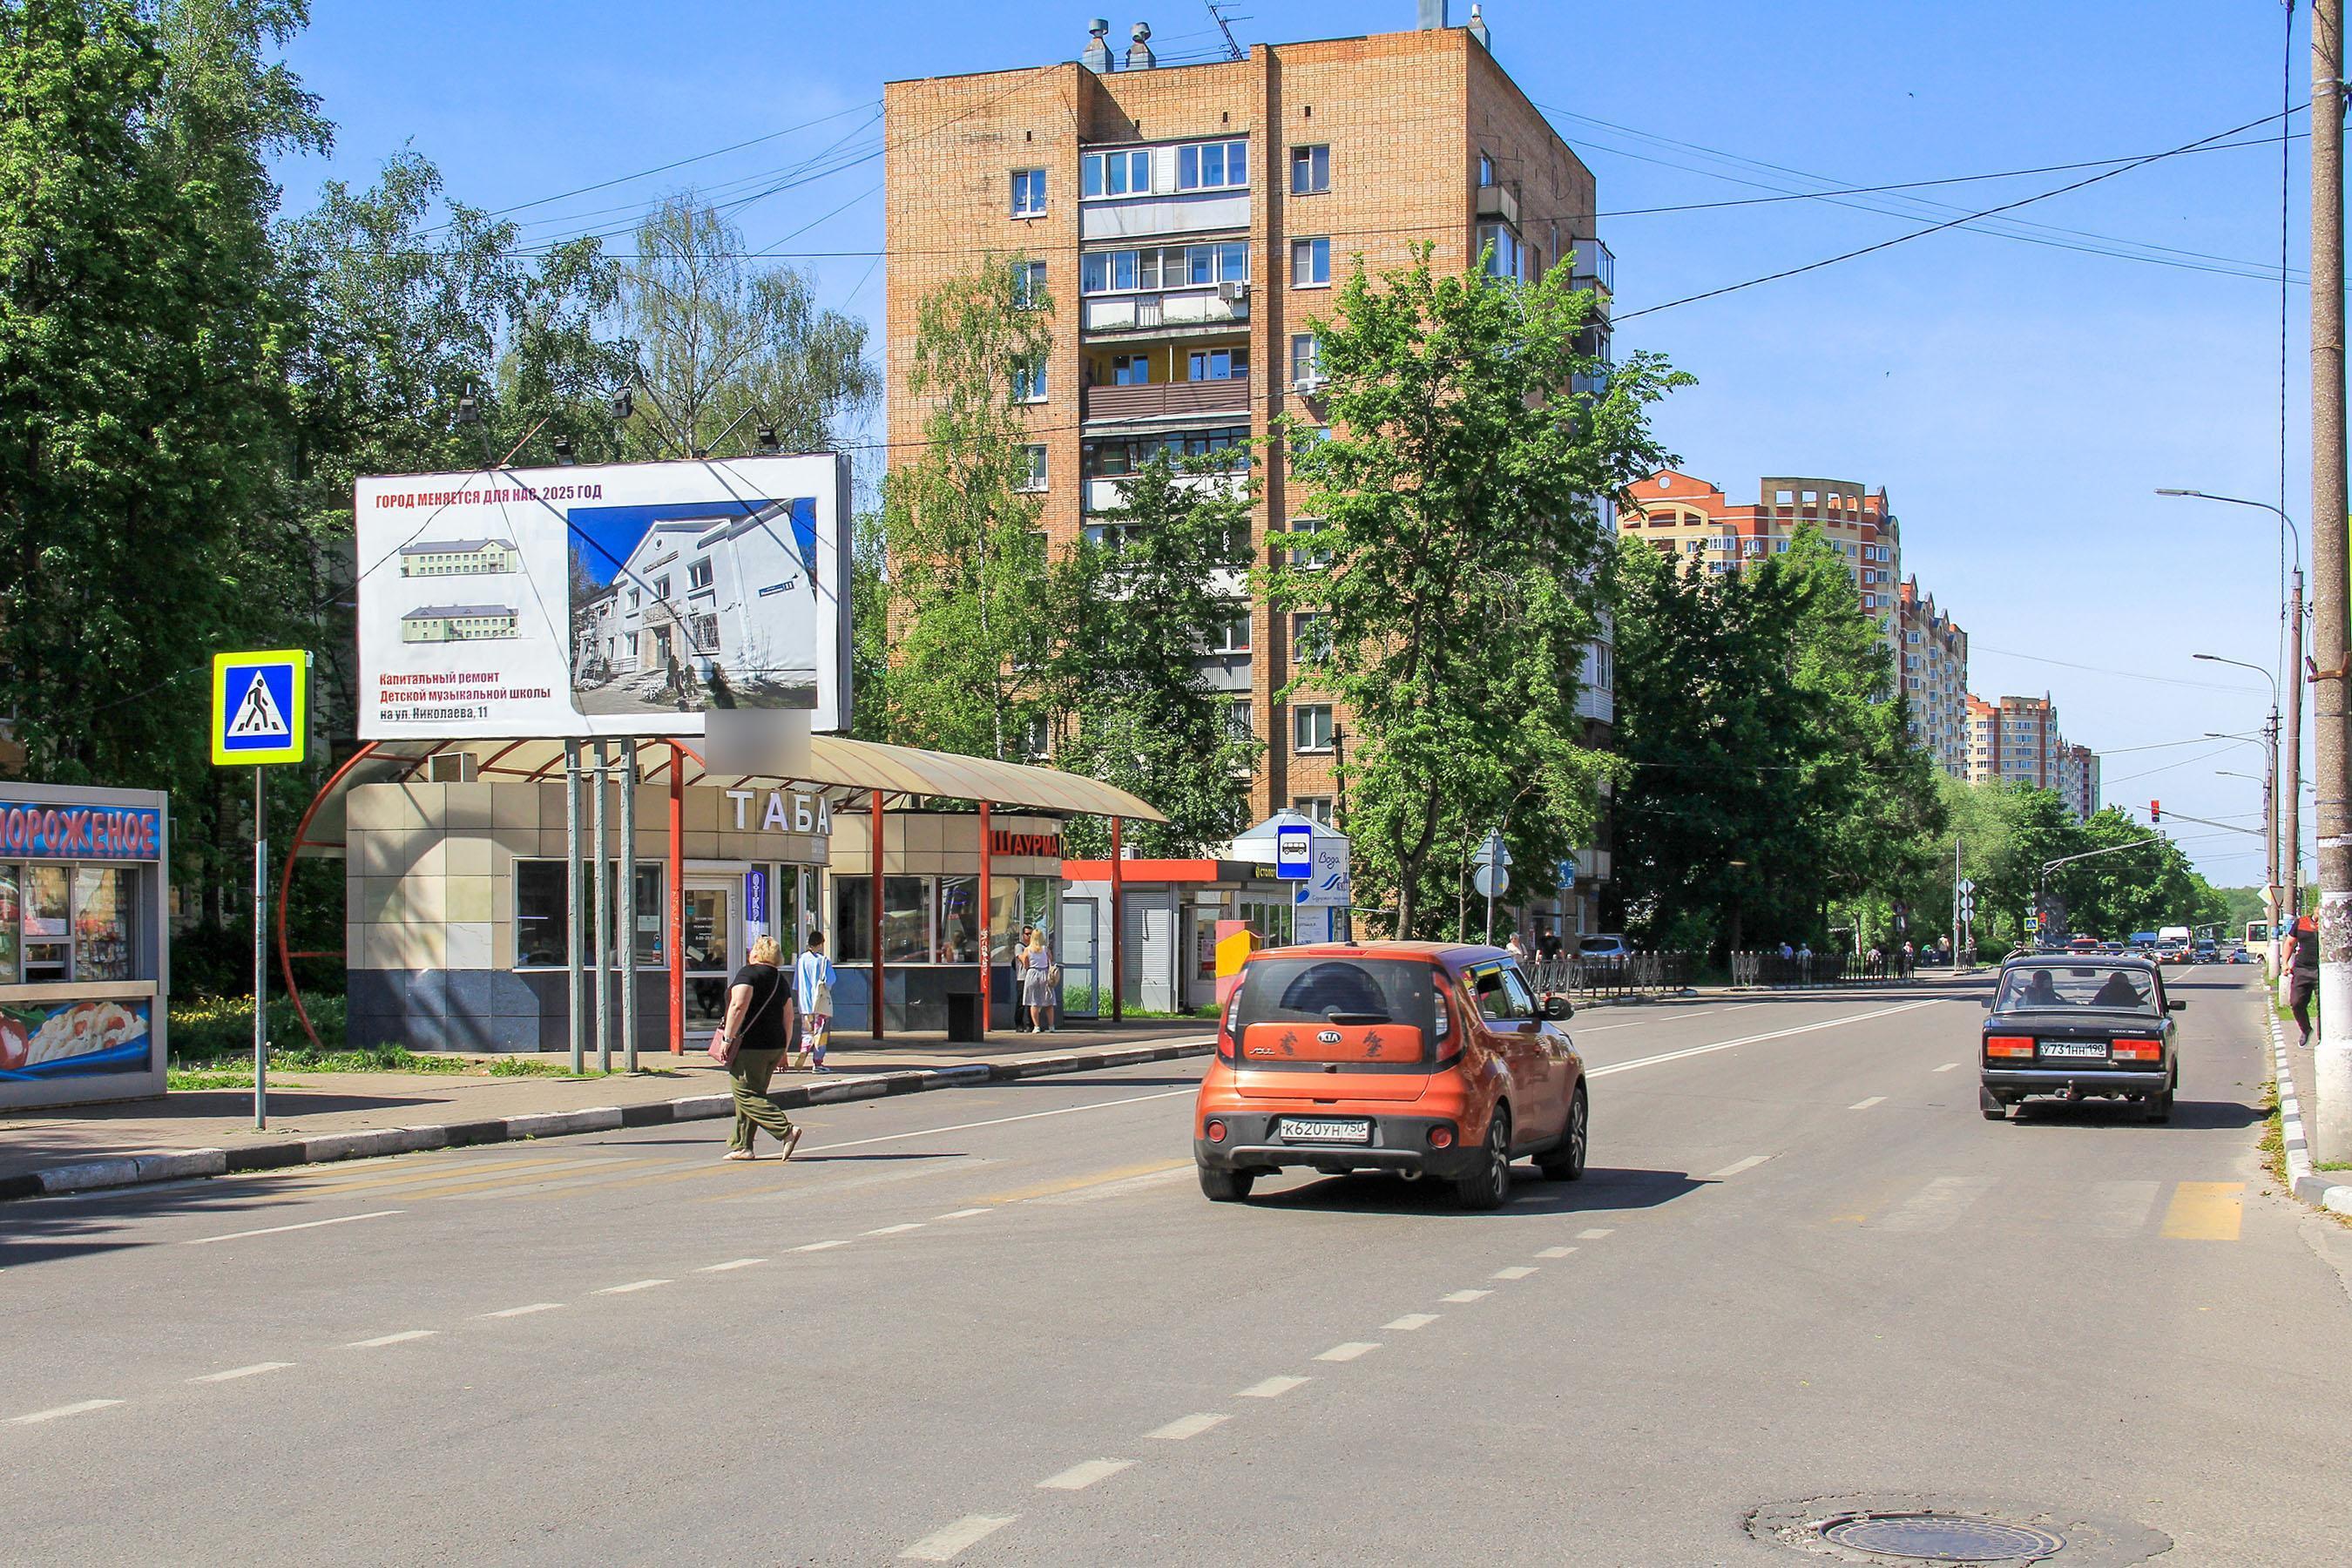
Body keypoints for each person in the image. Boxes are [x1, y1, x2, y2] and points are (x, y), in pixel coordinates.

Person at [719, 935, 801, 1162]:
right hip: (774, 1046)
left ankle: (785, 1130)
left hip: (750, 1046)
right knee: (754, 1093)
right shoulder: (779, 980)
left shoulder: (748, 973)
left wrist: (728, 1038)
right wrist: (784, 1051)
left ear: (756, 954)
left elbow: (738, 1005)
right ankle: (742, 1146)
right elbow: (789, 1018)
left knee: (744, 1094)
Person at [794, 929, 835, 1072]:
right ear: (819, 944)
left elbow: (796, 983)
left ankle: (805, 1048)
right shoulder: (823, 960)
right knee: (821, 1034)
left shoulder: (801, 959)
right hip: (820, 1003)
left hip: (805, 1004)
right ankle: (818, 1063)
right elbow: (830, 981)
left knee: (807, 1032)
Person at [2291, 916, 2320, 1046]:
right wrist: (2285, 964)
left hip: (2323, 970)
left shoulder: (2332, 922)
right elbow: (2290, 942)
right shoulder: (2301, 922)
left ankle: (2322, 1038)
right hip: (2302, 969)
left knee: (2323, 1007)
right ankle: (2305, 1029)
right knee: (2296, 1002)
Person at [1022, 929, 1057, 1033]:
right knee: (1048, 1002)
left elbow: (1025, 963)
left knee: (1034, 1002)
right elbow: (1050, 960)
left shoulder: (1027, 950)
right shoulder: (1045, 949)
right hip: (1044, 974)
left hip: (1032, 974)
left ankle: (1036, 1027)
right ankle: (1051, 1026)